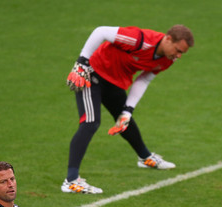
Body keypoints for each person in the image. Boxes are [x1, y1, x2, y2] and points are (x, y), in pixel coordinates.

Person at [62, 24, 195, 194]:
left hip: (115, 83)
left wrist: (128, 110)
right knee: (90, 123)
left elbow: (144, 79)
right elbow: (101, 32)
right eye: (178, 50)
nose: (178, 56)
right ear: (168, 39)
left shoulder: (167, 59)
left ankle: (145, 158)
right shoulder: (139, 40)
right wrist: (82, 62)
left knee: (124, 120)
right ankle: (71, 181)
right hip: (92, 75)